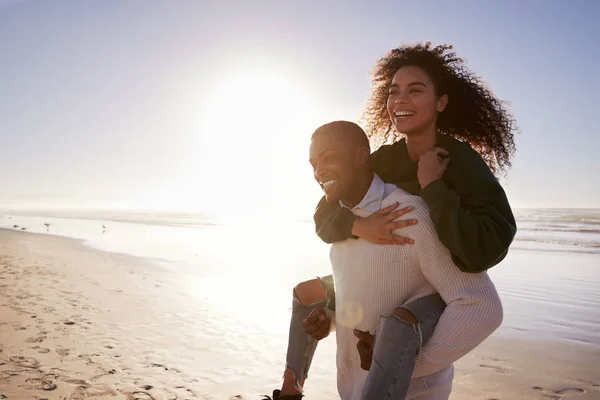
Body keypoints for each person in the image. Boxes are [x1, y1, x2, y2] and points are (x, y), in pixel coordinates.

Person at [266, 42, 517, 400]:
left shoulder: (461, 164)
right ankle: (291, 388)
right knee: (308, 295)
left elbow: (487, 246)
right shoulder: (383, 161)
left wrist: (433, 186)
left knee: (400, 324)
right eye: (394, 91)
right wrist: (358, 226)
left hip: (454, 265)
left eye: (415, 90)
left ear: (441, 102)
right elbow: (330, 207)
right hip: (398, 268)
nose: (401, 99)